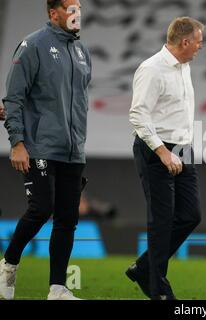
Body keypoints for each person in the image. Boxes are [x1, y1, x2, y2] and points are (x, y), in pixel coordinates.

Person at [0, 0, 91, 300]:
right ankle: (8, 265)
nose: (77, 14)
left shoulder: (82, 52)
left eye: (79, 8)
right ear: (54, 14)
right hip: (39, 146)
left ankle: (57, 289)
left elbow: (76, 104)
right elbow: (13, 98)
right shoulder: (33, 45)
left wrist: (78, 142)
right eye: (71, 9)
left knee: (67, 218)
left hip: (73, 150)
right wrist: (17, 142)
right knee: (41, 208)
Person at [126, 17, 204, 300]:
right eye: (198, 42)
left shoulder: (184, 66)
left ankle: (144, 267)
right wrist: (161, 150)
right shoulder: (151, 69)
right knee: (161, 220)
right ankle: (158, 289)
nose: (200, 47)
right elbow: (138, 114)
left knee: (190, 216)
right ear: (184, 42)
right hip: (156, 149)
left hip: (183, 149)